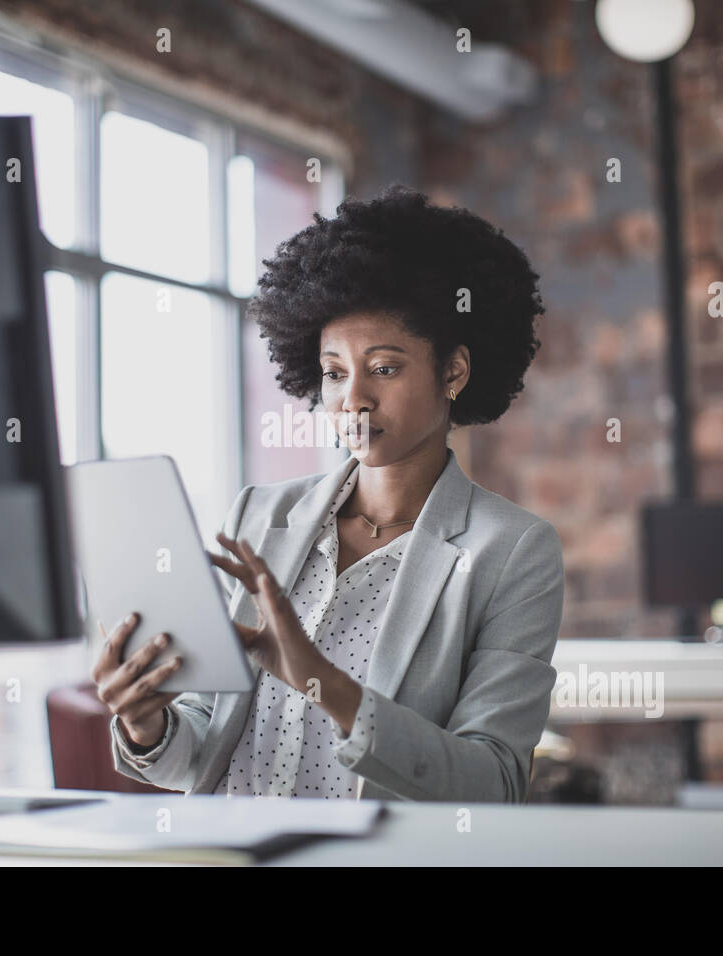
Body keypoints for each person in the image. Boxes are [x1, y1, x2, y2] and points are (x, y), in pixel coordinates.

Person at [94, 184, 563, 803]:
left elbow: (493, 783)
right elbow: (200, 756)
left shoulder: (512, 551)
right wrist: (145, 722)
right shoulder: (260, 516)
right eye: (335, 373)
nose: (353, 399)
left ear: (452, 371)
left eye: (385, 368)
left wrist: (316, 680)